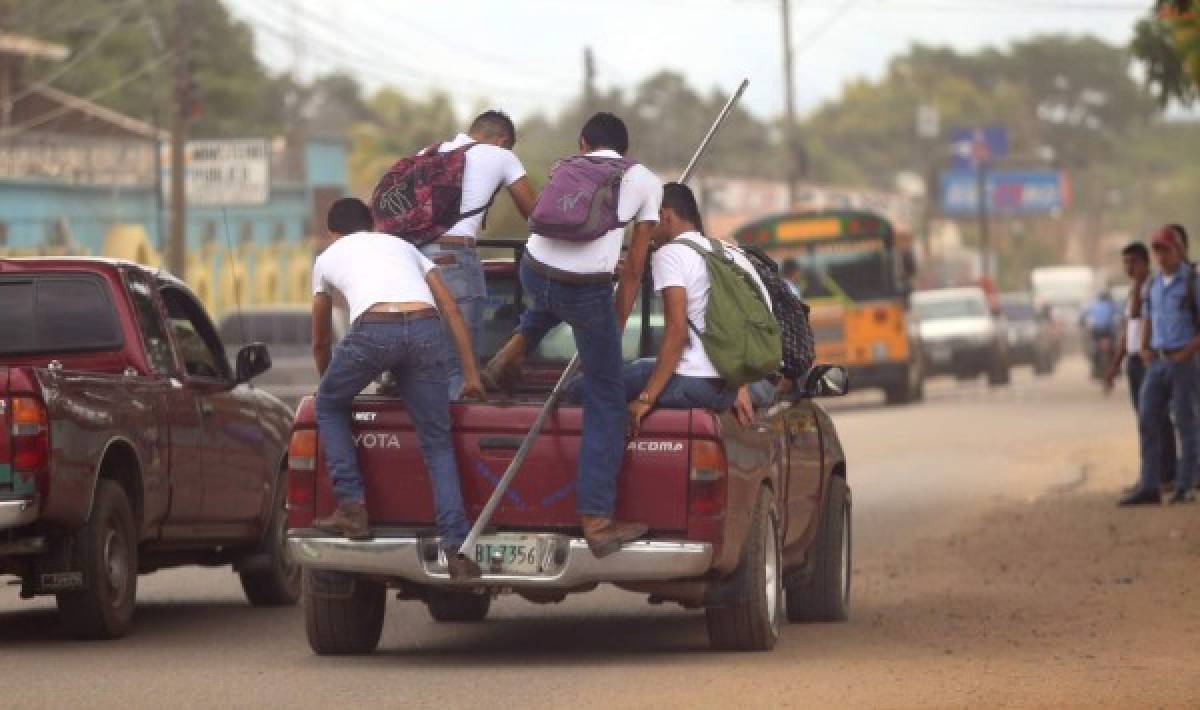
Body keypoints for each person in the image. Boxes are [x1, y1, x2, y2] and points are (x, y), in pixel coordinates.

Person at [483, 112, 662, 558]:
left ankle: (510, 353)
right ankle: (598, 520)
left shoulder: (566, 167)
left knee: (551, 295)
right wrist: (612, 328)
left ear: (584, 143)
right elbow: (636, 267)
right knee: (606, 397)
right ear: (625, 147)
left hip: (532, 272)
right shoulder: (644, 180)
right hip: (585, 291)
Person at [310, 198, 484, 579]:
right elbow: (451, 309)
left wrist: (332, 385)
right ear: (371, 224)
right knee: (437, 443)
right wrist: (471, 375)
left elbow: (321, 340)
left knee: (327, 406)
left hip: (374, 330)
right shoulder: (403, 247)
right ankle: (456, 548)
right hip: (425, 327)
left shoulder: (327, 257)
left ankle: (353, 508)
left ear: (333, 232)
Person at [620, 182, 770, 436]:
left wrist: (646, 398)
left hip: (693, 382)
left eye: (646, 222)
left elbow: (677, 333)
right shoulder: (730, 253)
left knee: (585, 389)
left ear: (664, 215)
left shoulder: (669, 255)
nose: (645, 231)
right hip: (726, 388)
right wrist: (741, 384)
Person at [420, 110, 537, 397]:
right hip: (454, 257)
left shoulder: (430, 152)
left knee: (427, 359)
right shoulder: (502, 156)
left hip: (415, 256)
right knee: (460, 367)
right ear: (502, 140)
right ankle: (451, 437)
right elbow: (534, 215)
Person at [1120, 226, 1200, 506]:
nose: (1161, 255)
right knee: (1148, 418)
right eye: (1157, 250)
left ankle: (1185, 485)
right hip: (1157, 361)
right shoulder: (1153, 285)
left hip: (1183, 362)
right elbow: (1147, 318)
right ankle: (1150, 485)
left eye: (1166, 249)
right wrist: (1144, 347)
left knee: (1185, 422)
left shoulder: (1192, 282)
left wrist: (1187, 352)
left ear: (1178, 250)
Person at [1105, 242, 1176, 486]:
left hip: (1150, 359)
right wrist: (1116, 363)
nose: (1129, 268)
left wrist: (1137, 284)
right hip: (1134, 360)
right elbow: (1128, 330)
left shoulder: (1152, 288)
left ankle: (1164, 473)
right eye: (1126, 263)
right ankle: (1154, 473)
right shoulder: (1134, 290)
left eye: (1133, 262)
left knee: (1156, 418)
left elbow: (1137, 313)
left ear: (1146, 263)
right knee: (1144, 419)